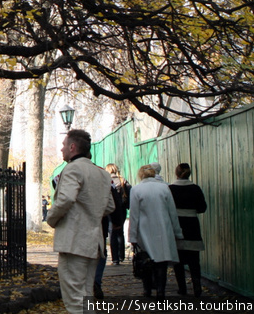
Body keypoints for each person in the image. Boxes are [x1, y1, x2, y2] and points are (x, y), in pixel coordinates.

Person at [46, 129, 115, 314]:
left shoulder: (72, 169)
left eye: (63, 145)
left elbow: (66, 199)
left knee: (74, 299)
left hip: (74, 241)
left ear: (73, 147)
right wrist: (91, 210)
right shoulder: (102, 174)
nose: (61, 149)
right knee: (86, 296)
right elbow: (109, 206)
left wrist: (51, 218)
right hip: (94, 242)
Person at [129, 164, 183, 298]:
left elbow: (134, 216)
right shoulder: (164, 188)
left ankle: (147, 290)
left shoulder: (136, 190)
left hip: (144, 231)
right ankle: (161, 290)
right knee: (161, 262)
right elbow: (172, 212)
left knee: (146, 261)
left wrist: (133, 237)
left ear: (141, 175)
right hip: (163, 229)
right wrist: (177, 232)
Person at [169, 163, 208, 297]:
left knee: (178, 259)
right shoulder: (195, 188)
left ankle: (182, 288)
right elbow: (202, 208)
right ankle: (197, 287)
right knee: (194, 259)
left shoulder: (171, 189)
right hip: (192, 224)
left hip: (177, 224)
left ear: (177, 174)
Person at [106, 163, 131, 265]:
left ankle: (115, 258)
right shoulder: (123, 180)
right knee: (120, 232)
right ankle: (121, 256)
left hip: (111, 210)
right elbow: (130, 193)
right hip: (122, 210)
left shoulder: (107, 181)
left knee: (112, 233)